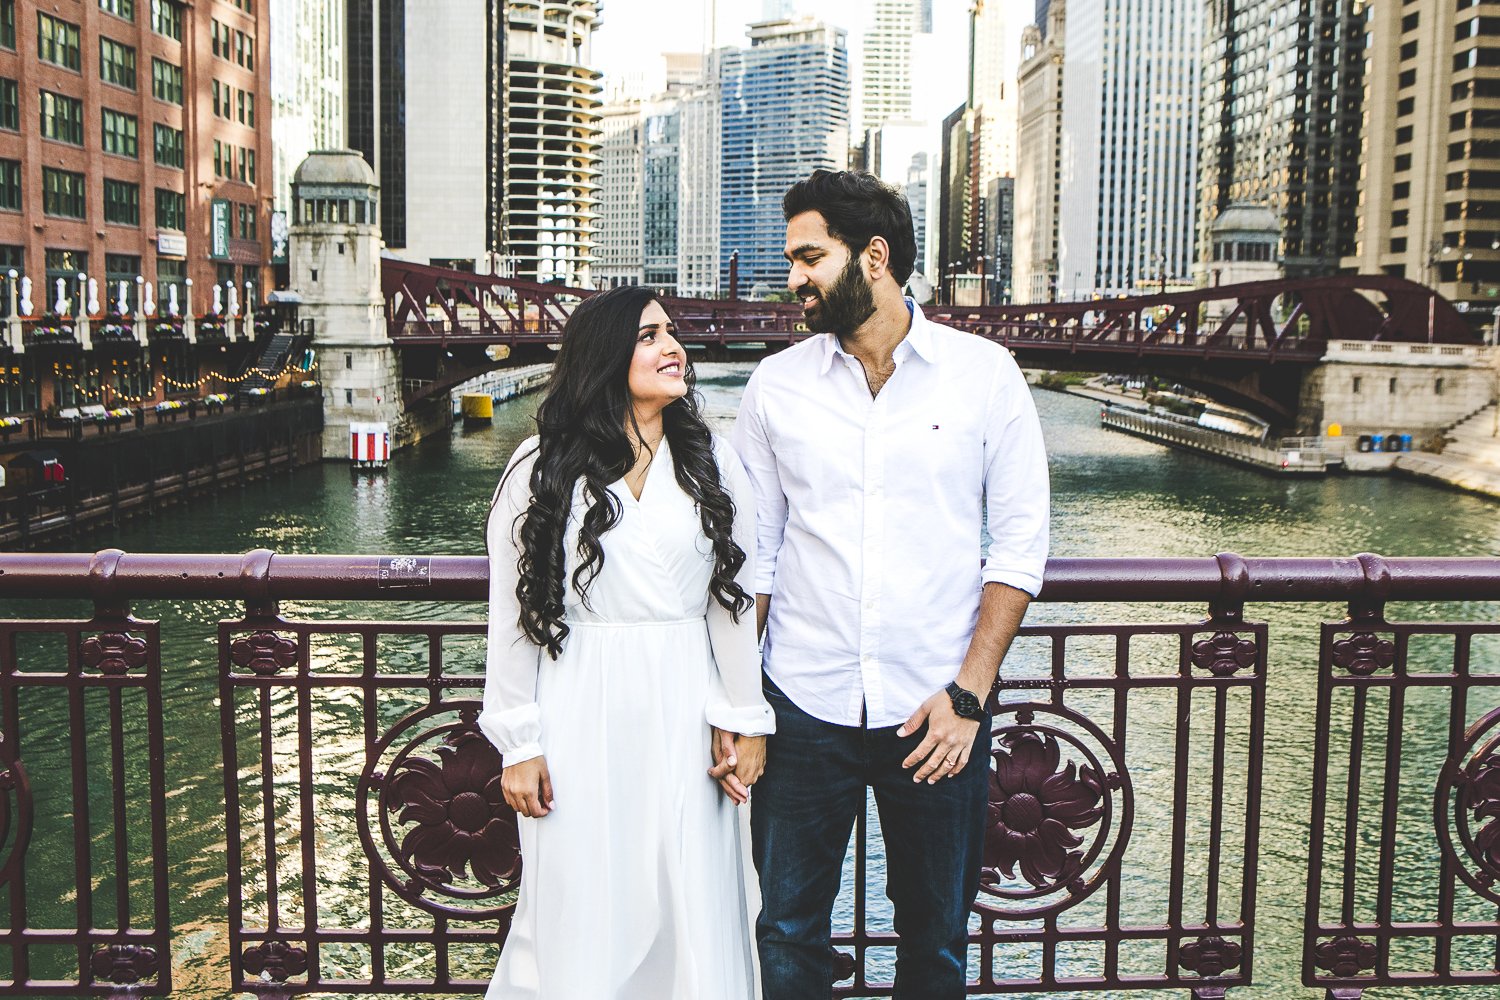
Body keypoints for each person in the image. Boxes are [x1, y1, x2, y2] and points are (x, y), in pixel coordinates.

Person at [731, 170, 1050, 999]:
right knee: (787, 935)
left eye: (810, 256)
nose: (793, 278)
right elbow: (757, 557)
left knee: (935, 941)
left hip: (935, 711)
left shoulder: (986, 376)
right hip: (800, 705)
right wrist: (741, 703)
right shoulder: (775, 387)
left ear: (873, 257)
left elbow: (1017, 550)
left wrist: (969, 696)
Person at [479, 285, 774, 999]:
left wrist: (744, 717)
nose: (673, 347)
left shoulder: (713, 464)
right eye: (650, 336)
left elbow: (730, 607)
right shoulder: (540, 470)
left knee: (692, 897)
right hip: (579, 703)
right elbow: (516, 615)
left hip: (686, 708)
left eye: (672, 333)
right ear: (606, 357)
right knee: (584, 898)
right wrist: (518, 742)